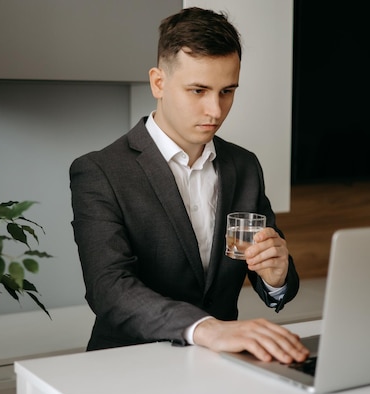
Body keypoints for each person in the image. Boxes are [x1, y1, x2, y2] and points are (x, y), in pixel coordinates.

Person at [69, 7, 309, 364]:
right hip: (128, 366)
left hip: (224, 366)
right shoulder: (99, 171)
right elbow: (110, 290)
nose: (215, 110)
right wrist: (208, 328)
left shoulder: (245, 166)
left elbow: (274, 282)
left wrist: (277, 276)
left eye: (227, 91)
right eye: (198, 90)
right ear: (158, 83)